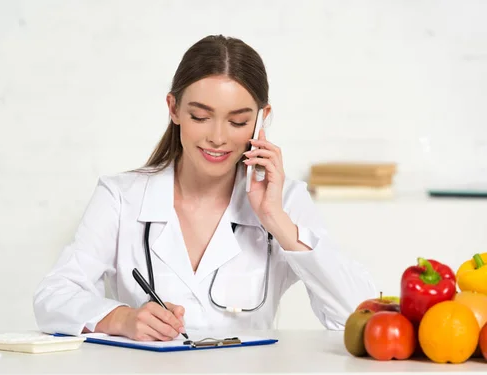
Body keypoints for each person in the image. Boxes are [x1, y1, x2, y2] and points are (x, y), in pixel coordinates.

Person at [33, 34, 377, 342]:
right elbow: (54, 296)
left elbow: (360, 314)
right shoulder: (121, 196)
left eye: (238, 121)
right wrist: (121, 319)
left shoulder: (285, 200)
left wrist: (276, 219)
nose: (218, 136)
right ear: (174, 109)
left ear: (261, 117)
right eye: (200, 116)